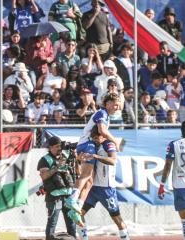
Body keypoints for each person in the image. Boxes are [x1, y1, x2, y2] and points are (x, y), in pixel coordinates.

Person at [64, 93, 121, 222]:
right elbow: (102, 131)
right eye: (114, 104)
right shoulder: (102, 113)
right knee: (86, 175)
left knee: (90, 181)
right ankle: (72, 199)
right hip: (87, 144)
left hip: (89, 146)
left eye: (118, 105)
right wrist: (115, 141)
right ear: (107, 103)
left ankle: (77, 208)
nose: (116, 107)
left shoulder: (104, 115)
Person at [77, 126, 130, 240]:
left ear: (103, 136)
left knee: (117, 219)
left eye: (97, 138)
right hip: (93, 189)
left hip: (107, 189)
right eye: (93, 138)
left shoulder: (108, 144)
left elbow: (113, 160)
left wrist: (96, 156)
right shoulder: (92, 145)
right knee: (78, 214)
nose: (95, 140)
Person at [37, 136, 76, 239]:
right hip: (55, 198)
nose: (59, 148)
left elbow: (77, 173)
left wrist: (75, 159)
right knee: (52, 223)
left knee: (72, 224)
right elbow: (44, 176)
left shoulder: (66, 157)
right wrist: (57, 166)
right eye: (57, 146)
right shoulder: (45, 160)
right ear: (50, 148)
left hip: (68, 196)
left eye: (60, 146)